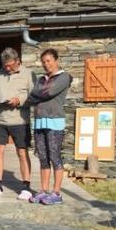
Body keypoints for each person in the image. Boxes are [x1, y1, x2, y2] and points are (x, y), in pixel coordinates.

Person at [0, 47, 37, 200]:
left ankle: (26, 186)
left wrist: (19, 100)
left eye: (9, 65)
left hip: (20, 121)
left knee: (22, 152)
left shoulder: (29, 74)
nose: (6, 68)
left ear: (17, 61)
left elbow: (34, 97)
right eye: (4, 65)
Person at [26, 48, 73, 205]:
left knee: (54, 156)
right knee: (43, 157)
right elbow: (33, 95)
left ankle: (57, 193)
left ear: (56, 60)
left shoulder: (64, 77)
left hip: (54, 121)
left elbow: (49, 92)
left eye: (49, 61)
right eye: (43, 62)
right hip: (39, 121)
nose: (46, 64)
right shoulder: (41, 79)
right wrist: (36, 94)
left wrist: (36, 94)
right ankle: (44, 190)